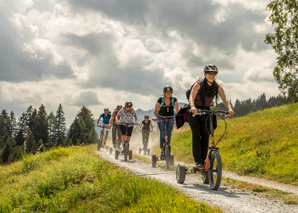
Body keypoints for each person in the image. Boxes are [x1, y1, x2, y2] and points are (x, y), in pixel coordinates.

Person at [187, 64, 234, 167]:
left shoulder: (217, 87)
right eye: (209, 74)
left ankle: (203, 160)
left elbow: (225, 99)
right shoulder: (198, 84)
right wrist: (193, 107)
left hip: (206, 111)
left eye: (213, 74)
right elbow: (191, 96)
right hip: (193, 112)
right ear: (205, 74)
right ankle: (198, 160)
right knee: (196, 134)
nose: (211, 76)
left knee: (206, 134)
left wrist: (229, 109)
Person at [152, 86, 179, 159]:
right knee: (163, 132)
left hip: (170, 117)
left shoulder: (174, 100)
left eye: (169, 92)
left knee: (169, 132)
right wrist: (154, 116)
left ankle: (167, 148)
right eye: (167, 93)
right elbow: (156, 108)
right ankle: (162, 151)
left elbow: (177, 110)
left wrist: (178, 117)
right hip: (161, 117)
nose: (168, 94)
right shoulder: (161, 99)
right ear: (164, 93)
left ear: (171, 93)